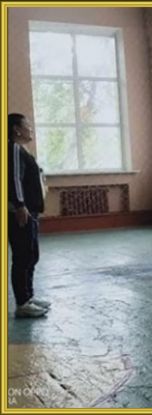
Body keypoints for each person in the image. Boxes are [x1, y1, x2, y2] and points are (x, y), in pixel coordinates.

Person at [8, 113, 50, 318]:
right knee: (23, 256)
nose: (30, 128)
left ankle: (29, 297)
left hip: (30, 211)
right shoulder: (14, 149)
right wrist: (19, 205)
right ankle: (22, 303)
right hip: (20, 212)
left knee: (32, 255)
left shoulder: (23, 150)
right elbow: (14, 178)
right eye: (27, 125)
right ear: (16, 129)